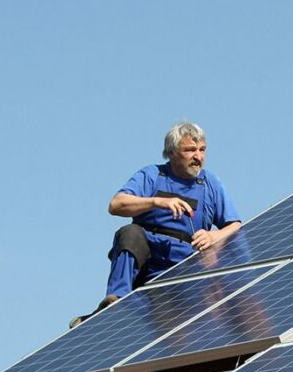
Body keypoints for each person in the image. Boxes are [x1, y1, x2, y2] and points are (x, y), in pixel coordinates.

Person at [70, 122, 241, 328]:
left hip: (185, 260)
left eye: (202, 150)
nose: (198, 157)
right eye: (190, 150)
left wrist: (213, 236)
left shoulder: (210, 184)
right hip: (148, 254)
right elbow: (116, 205)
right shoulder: (151, 175)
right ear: (171, 153)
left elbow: (235, 226)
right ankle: (116, 301)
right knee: (130, 233)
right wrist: (156, 201)